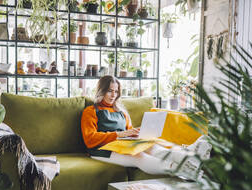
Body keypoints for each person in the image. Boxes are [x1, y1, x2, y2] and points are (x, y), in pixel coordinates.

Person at [81, 75, 211, 179]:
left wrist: (136, 133)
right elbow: (89, 139)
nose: (113, 95)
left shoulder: (121, 112)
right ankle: (181, 170)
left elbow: (128, 131)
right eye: (110, 91)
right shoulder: (91, 111)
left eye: (116, 91)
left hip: (122, 144)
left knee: (153, 147)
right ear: (101, 90)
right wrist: (119, 135)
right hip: (101, 149)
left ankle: (191, 155)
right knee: (138, 156)